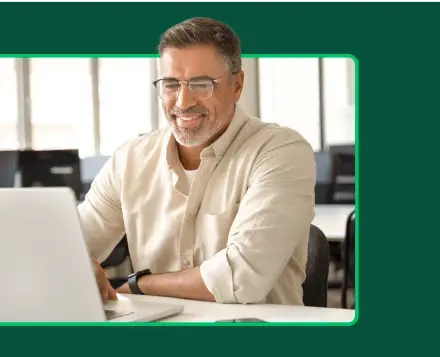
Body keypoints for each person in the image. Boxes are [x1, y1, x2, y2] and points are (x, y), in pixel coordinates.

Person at [78, 17, 316, 306]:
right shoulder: (129, 160)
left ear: (237, 85)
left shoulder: (281, 151)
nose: (182, 102)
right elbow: (71, 243)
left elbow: (240, 278)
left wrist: (139, 286)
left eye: (201, 85)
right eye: (170, 85)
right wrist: (71, 262)